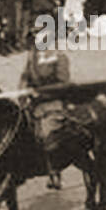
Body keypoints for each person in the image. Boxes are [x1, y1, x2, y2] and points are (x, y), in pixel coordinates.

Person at [18, 19, 70, 189]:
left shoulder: (58, 55)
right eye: (35, 34)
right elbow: (25, 76)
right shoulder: (32, 54)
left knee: (46, 135)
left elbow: (63, 83)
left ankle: (55, 170)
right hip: (33, 104)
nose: (37, 37)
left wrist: (39, 94)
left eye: (40, 33)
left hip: (52, 104)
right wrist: (21, 93)